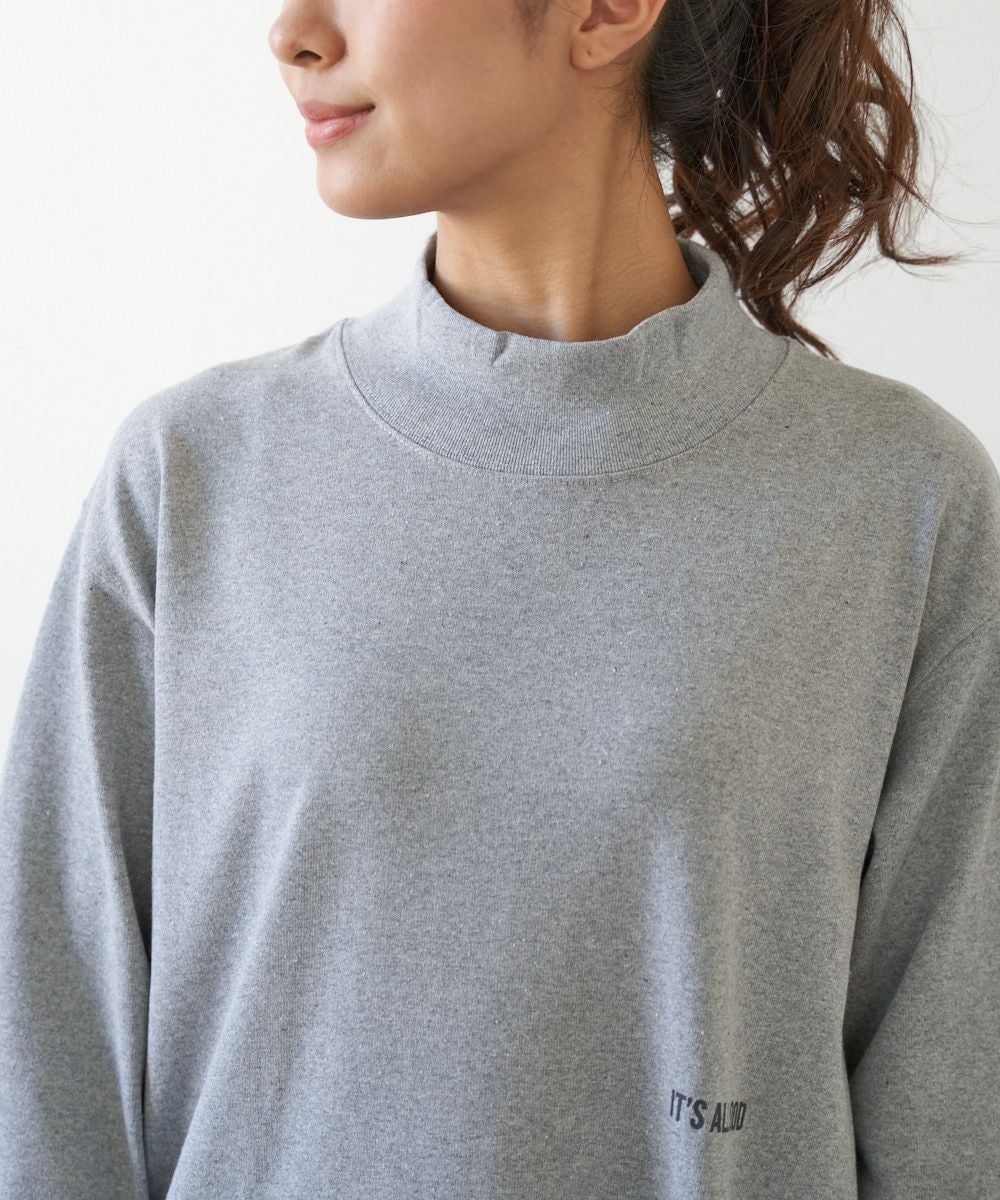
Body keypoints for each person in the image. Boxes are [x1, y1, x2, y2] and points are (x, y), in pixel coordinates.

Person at [1, 0, 997, 1196]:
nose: (294, 32)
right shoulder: (191, 473)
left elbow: (950, 1116)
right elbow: (45, 1066)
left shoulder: (899, 501)